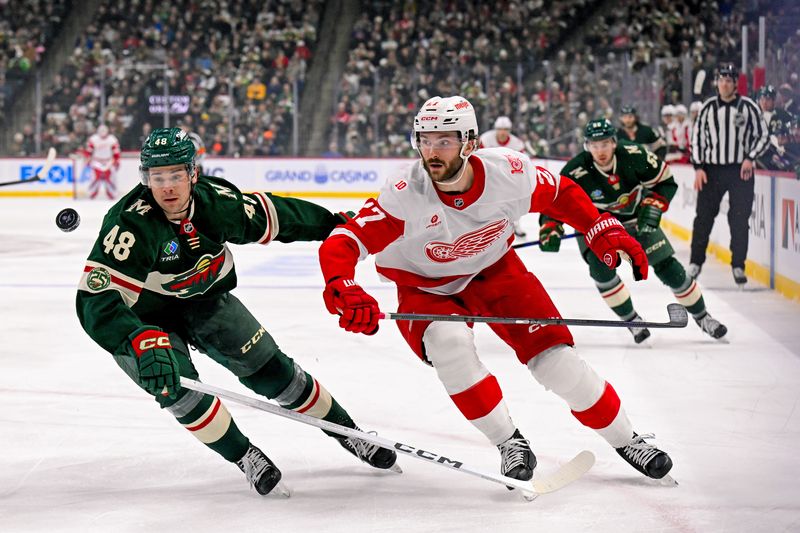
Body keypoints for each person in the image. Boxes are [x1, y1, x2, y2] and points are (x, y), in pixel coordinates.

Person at [318, 96, 674, 486]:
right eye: (425, 140)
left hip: (495, 270)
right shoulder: (406, 192)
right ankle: (508, 442)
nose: (431, 152)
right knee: (448, 345)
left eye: (444, 141)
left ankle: (628, 439)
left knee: (558, 363)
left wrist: (599, 227)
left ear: (470, 142)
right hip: (426, 288)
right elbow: (345, 241)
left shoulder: (508, 172)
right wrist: (342, 283)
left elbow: (561, 193)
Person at [76, 127, 397, 497]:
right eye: (156, 177)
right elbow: (95, 299)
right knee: (176, 388)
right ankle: (245, 456)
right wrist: (136, 339)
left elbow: (277, 214)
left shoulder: (218, 203)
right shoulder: (129, 224)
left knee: (275, 373)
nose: (167, 187)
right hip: (147, 320)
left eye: (176, 175)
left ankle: (349, 432)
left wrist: (335, 226)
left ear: (193, 173)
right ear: (145, 179)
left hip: (208, 301)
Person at [541, 119, 727, 343]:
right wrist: (550, 226)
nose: (600, 151)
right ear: (586, 146)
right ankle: (632, 321)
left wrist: (654, 205)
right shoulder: (575, 170)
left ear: (614, 142)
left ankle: (703, 317)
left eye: (605, 144)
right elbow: (553, 201)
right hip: (596, 228)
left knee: (669, 268)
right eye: (594, 145)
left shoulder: (634, 155)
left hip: (636, 220)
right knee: (601, 271)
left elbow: (666, 181)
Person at [689, 63, 769, 286]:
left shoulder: (750, 107)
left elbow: (763, 135)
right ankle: (695, 262)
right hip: (712, 171)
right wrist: (698, 167)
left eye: (728, 80)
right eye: (721, 80)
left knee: (740, 220)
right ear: (717, 83)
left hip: (740, 171)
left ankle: (738, 266)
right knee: (703, 218)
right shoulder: (707, 108)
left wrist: (750, 157)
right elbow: (697, 139)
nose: (724, 84)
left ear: (735, 84)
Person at [479, 116, 529, 237]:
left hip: (509, 176)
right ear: (496, 129)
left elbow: (521, 163)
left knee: (513, 201)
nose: (502, 132)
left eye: (505, 129)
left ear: (509, 130)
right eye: (500, 129)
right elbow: (479, 157)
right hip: (490, 174)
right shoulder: (485, 139)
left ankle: (515, 224)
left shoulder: (517, 143)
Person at [83, 124, 121, 200]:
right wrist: (87, 159)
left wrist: (117, 161)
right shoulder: (93, 139)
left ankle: (112, 194)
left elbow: (116, 152)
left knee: (110, 179)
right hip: (96, 161)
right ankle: (91, 193)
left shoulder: (112, 139)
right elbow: (88, 151)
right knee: (94, 178)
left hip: (108, 161)